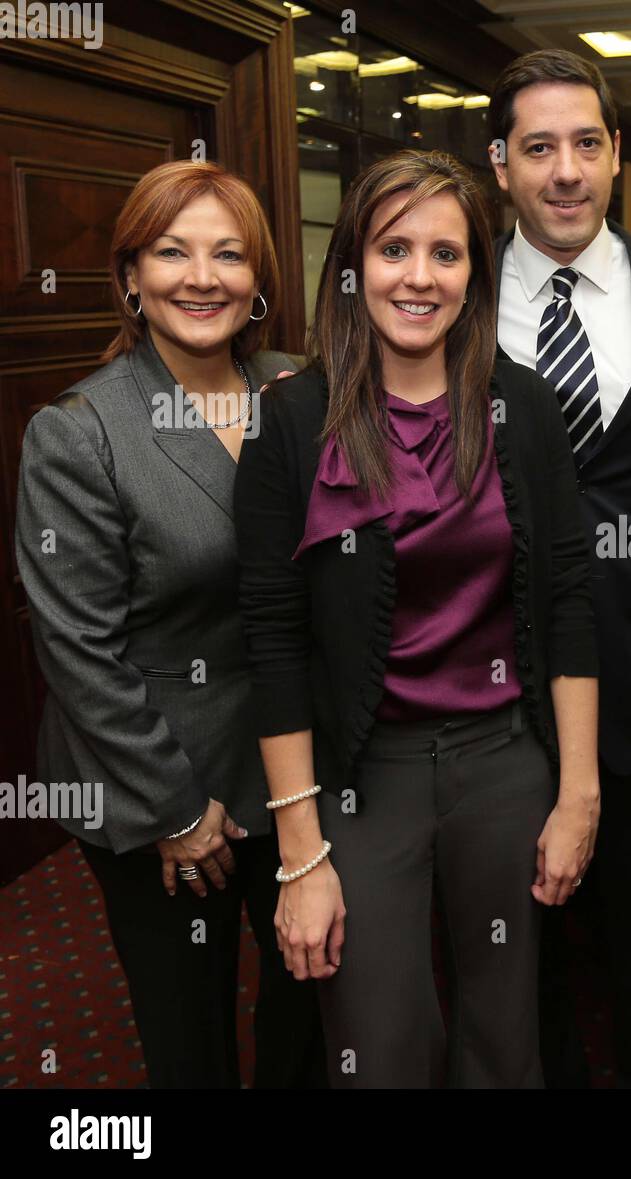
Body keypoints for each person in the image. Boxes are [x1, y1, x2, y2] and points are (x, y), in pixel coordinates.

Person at [233, 149, 599, 1088]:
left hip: (506, 759)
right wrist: (299, 851)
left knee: (507, 1039)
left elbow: (567, 598)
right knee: (379, 1041)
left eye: (447, 252)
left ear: (477, 270)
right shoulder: (293, 418)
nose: (420, 276)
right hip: (364, 774)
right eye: (395, 248)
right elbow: (272, 639)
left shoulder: (524, 404)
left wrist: (579, 792)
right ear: (353, 265)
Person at [15, 160, 325, 1088]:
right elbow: (76, 650)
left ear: (259, 279)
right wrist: (176, 810)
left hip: (291, 768)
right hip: (159, 785)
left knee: (305, 1011)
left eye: (228, 254)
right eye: (171, 252)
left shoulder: (298, 389)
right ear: (130, 279)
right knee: (188, 1036)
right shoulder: (79, 431)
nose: (202, 277)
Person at [488, 48, 631, 1088]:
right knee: (515, 949)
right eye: (538, 148)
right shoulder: (443, 284)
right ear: (500, 166)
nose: (564, 171)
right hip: (487, 679)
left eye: (585, 144)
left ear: (616, 156)